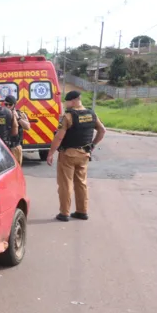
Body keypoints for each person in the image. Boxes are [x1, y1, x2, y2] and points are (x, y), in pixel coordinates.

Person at [46, 91, 106, 222]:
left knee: (65, 184)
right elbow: (102, 131)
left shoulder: (68, 116)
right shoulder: (92, 114)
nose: (65, 104)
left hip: (68, 155)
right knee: (81, 183)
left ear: (72, 101)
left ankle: (64, 213)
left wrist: (50, 153)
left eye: (66, 102)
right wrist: (92, 145)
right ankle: (82, 211)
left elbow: (59, 137)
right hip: (84, 154)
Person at [3, 95, 31, 166]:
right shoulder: (1, 113)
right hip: (3, 146)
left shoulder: (20, 114)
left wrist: (18, 118)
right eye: (6, 104)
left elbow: (27, 127)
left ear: (14, 105)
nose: (8, 106)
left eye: (10, 104)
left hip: (15, 146)